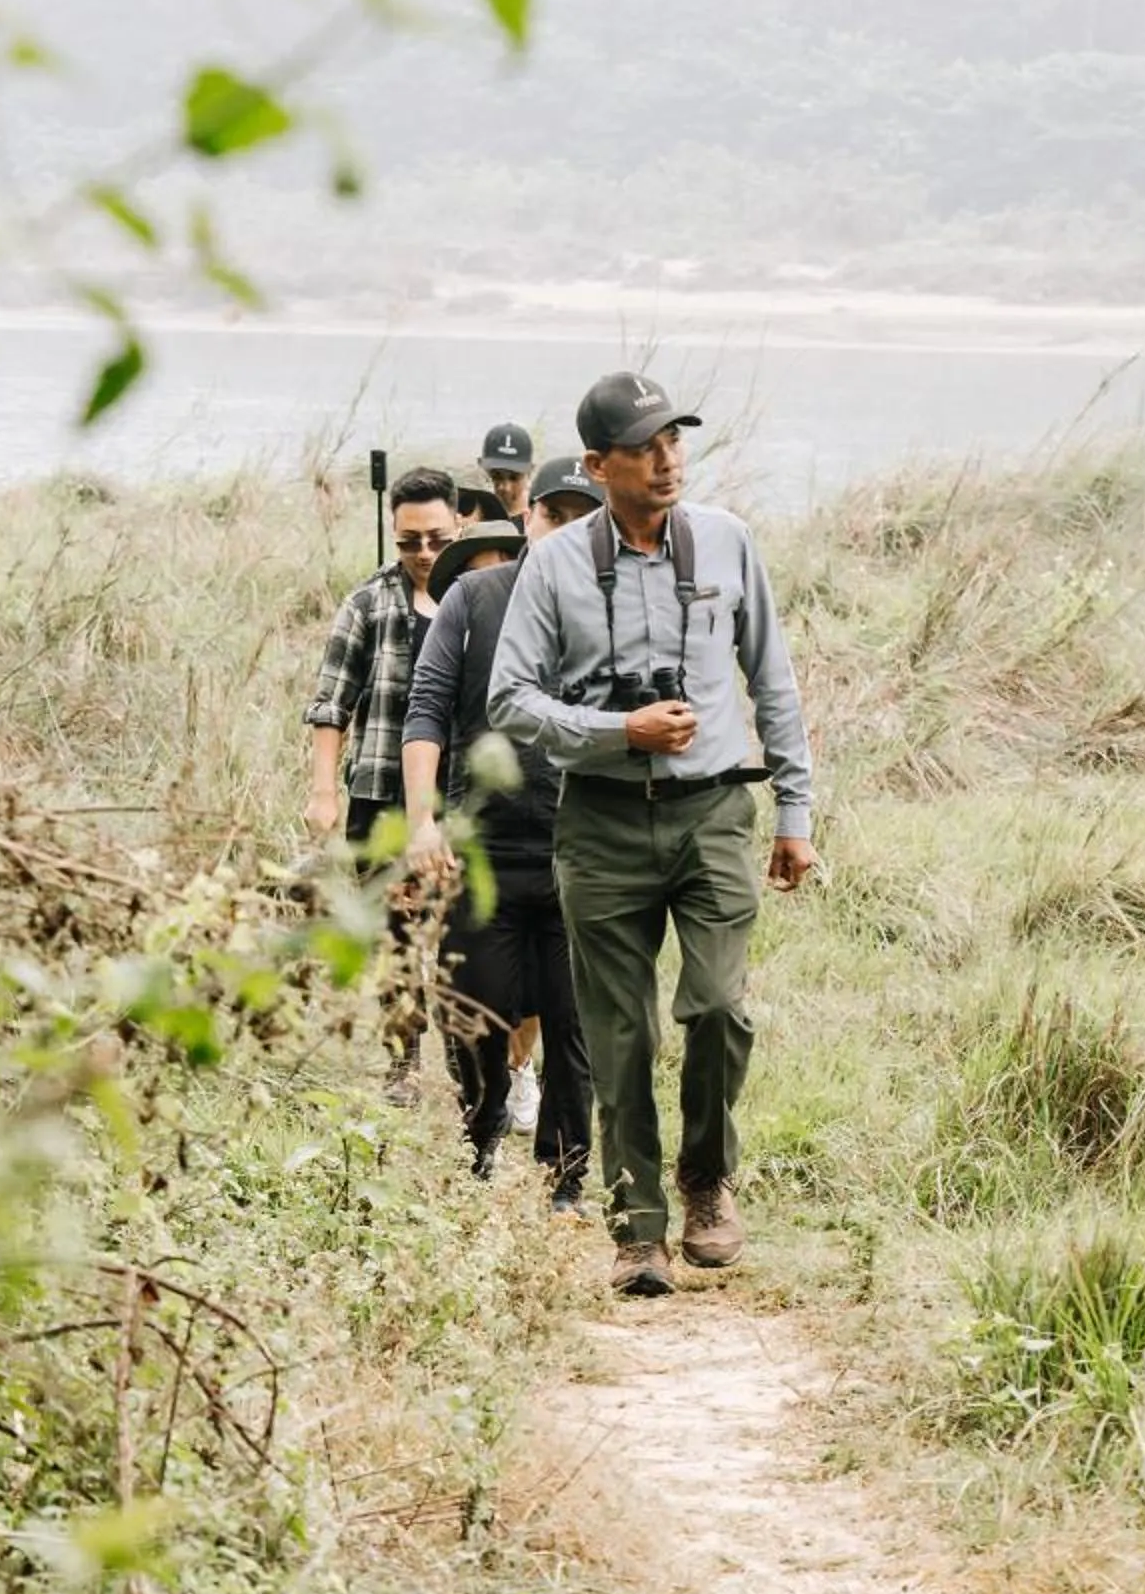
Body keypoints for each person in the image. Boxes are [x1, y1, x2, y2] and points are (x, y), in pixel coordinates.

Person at [490, 375, 814, 1297]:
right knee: (618, 1033)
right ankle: (638, 1231)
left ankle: (708, 1179)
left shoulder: (727, 540)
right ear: (597, 466)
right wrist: (613, 732)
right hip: (599, 822)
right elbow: (510, 700)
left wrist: (796, 814)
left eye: (674, 438)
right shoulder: (552, 568)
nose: (667, 458)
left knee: (717, 1008)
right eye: (643, 446)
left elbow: (773, 682)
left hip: (713, 811)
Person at [400, 461, 602, 1206]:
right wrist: (422, 819)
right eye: (556, 513)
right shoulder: (474, 597)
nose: (568, 528)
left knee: (576, 1027)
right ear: (530, 520)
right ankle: (478, 1150)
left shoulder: (619, 611)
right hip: (479, 850)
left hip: (582, 854)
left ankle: (566, 1181)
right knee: (475, 1011)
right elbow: (426, 709)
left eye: (588, 516)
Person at [304, 464, 458, 1102]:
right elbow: (330, 703)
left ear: (459, 526)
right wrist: (323, 790)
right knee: (392, 935)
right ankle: (403, 1062)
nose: (423, 553)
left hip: (457, 797)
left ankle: (474, 1058)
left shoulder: (477, 595)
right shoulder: (368, 601)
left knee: (460, 931)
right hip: (378, 791)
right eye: (409, 541)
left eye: (435, 539)